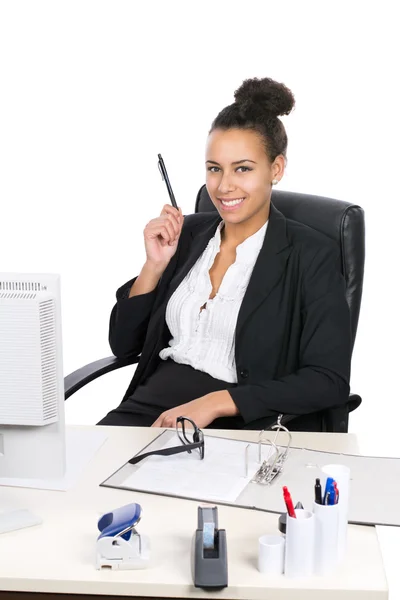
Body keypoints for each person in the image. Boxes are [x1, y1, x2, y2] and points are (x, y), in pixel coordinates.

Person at [98, 77, 352, 432]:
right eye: (214, 168)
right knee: (78, 477)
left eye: (243, 168)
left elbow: (329, 380)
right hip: (151, 410)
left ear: (276, 169)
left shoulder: (312, 255)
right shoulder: (188, 235)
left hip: (241, 419)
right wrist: (153, 267)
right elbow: (124, 346)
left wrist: (218, 402)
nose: (223, 186)